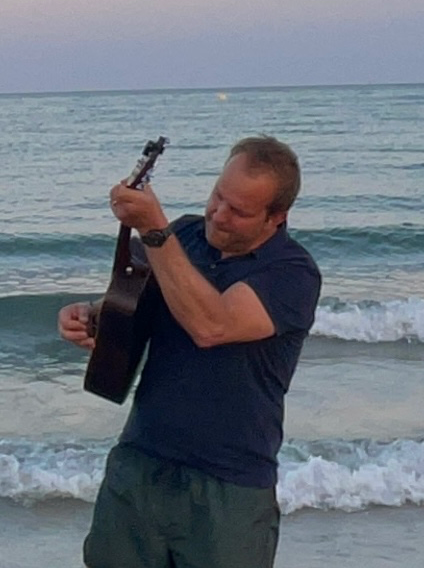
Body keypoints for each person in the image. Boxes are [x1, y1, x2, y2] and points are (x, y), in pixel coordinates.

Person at [57, 136, 321, 568]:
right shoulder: (182, 236)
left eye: (239, 211)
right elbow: (135, 311)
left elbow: (211, 325)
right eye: (218, 196)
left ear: (277, 218)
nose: (219, 214)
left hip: (228, 483)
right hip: (141, 460)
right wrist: (93, 316)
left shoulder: (292, 273)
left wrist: (155, 230)